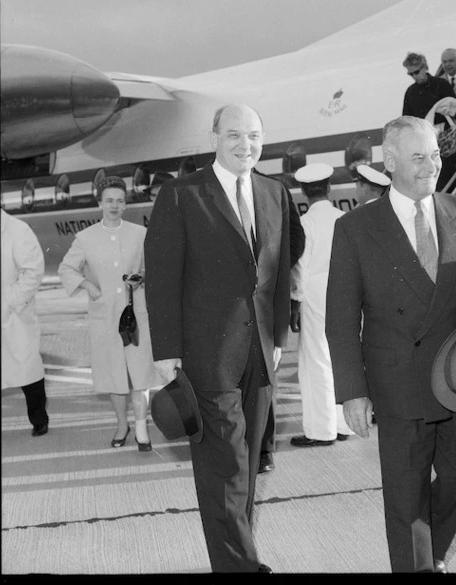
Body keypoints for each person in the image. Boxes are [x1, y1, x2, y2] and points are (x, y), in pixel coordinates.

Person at [326, 115, 456, 573]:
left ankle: (432, 553)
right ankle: (417, 565)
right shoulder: (356, 228)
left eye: (436, 155)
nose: (431, 165)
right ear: (390, 161)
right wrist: (352, 391)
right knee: (405, 501)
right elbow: (341, 319)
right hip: (399, 385)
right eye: (419, 157)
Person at [144, 103, 290, 573]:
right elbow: (163, 278)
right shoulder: (181, 195)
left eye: (253, 136)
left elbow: (279, 272)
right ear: (213, 137)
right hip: (207, 356)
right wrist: (167, 351)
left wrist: (280, 334)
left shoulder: (274, 192)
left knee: (247, 465)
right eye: (233, 135)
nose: (245, 145)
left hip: (261, 351)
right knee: (223, 464)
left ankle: (234, 556)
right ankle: (241, 566)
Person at [58, 176, 162, 451]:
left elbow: (154, 267)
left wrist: (142, 278)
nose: (114, 206)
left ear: (126, 204)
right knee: (113, 374)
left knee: (140, 372)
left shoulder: (140, 233)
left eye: (119, 201)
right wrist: (87, 285)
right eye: (109, 201)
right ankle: (121, 424)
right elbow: (66, 269)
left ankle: (141, 427)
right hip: (105, 315)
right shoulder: (86, 238)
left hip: (135, 312)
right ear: (100, 203)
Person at [289, 163, 354, 447]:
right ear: (329, 189)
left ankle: (321, 430)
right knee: (342, 357)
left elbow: (300, 268)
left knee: (316, 359)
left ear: (304, 193)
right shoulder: (346, 218)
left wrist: (295, 302)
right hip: (345, 291)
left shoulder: (306, 223)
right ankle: (343, 425)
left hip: (315, 292)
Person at [258, 174, 305, 473]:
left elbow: (296, 239)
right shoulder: (211, 189)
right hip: (223, 304)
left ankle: (263, 449)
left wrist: (271, 271)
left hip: (265, 299)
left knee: (263, 377)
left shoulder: (273, 191)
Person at [1, 209, 49, 437]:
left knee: (26, 368)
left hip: (13, 313)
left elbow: (33, 270)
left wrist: (11, 299)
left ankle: (39, 418)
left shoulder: (17, 229)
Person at [402, 51, 456, 126]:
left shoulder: (441, 84)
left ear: (425, 67)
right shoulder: (410, 92)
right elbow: (406, 120)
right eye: (411, 74)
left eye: (416, 72)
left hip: (445, 133)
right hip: (423, 135)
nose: (414, 76)